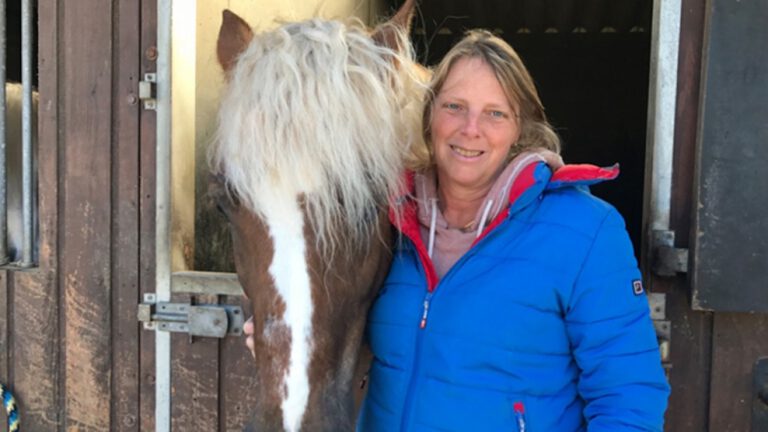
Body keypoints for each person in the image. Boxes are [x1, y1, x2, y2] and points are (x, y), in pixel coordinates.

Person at [245, 29, 669, 431]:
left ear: (520, 128)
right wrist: (289, 338)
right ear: (429, 115)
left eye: (495, 113)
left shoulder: (587, 232)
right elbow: (352, 335)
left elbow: (629, 397)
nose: (471, 129)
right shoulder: (388, 223)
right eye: (454, 107)